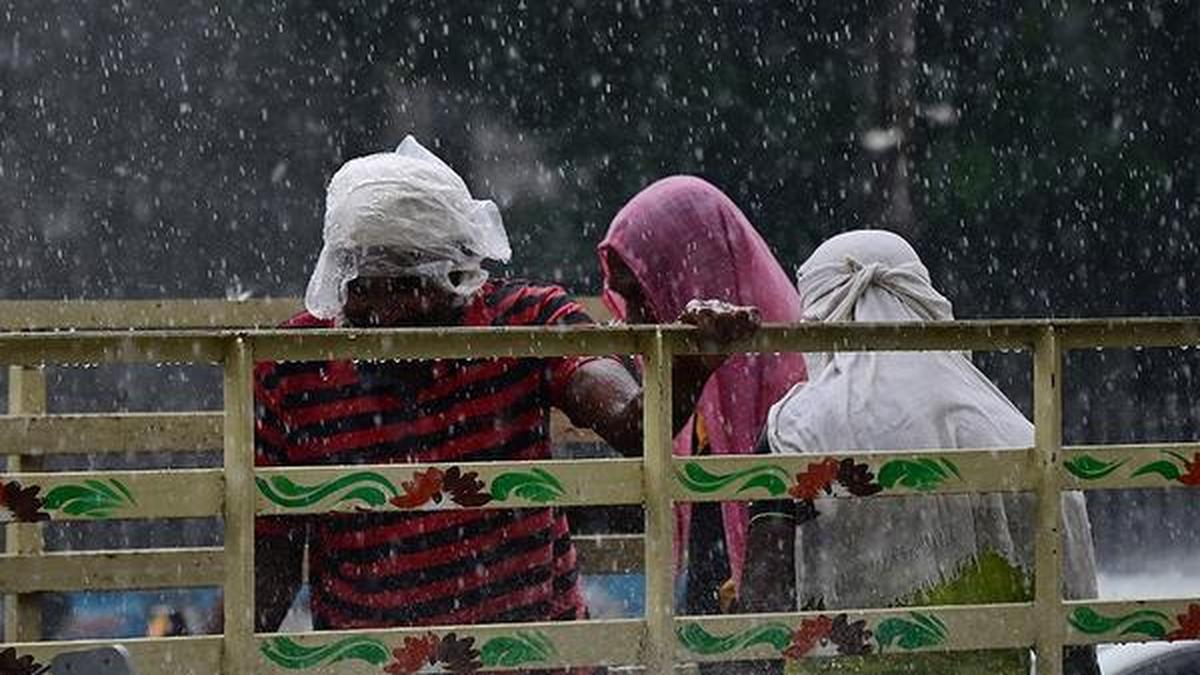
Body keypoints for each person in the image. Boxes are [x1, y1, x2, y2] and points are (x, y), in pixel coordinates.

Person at [253, 137, 756, 675]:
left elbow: (631, 424)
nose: (378, 311)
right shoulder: (292, 364)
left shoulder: (528, 322)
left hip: (537, 660)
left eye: (403, 286)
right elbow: (272, 560)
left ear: (456, 280)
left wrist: (686, 368)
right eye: (360, 286)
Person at [740, 230, 1100, 675]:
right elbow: (1075, 645)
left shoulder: (794, 431)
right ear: (925, 301)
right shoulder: (1020, 436)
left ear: (818, 314)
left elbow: (760, 617)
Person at [598, 177, 808, 636]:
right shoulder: (699, 389)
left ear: (692, 271)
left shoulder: (790, 381)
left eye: (641, 292)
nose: (631, 318)